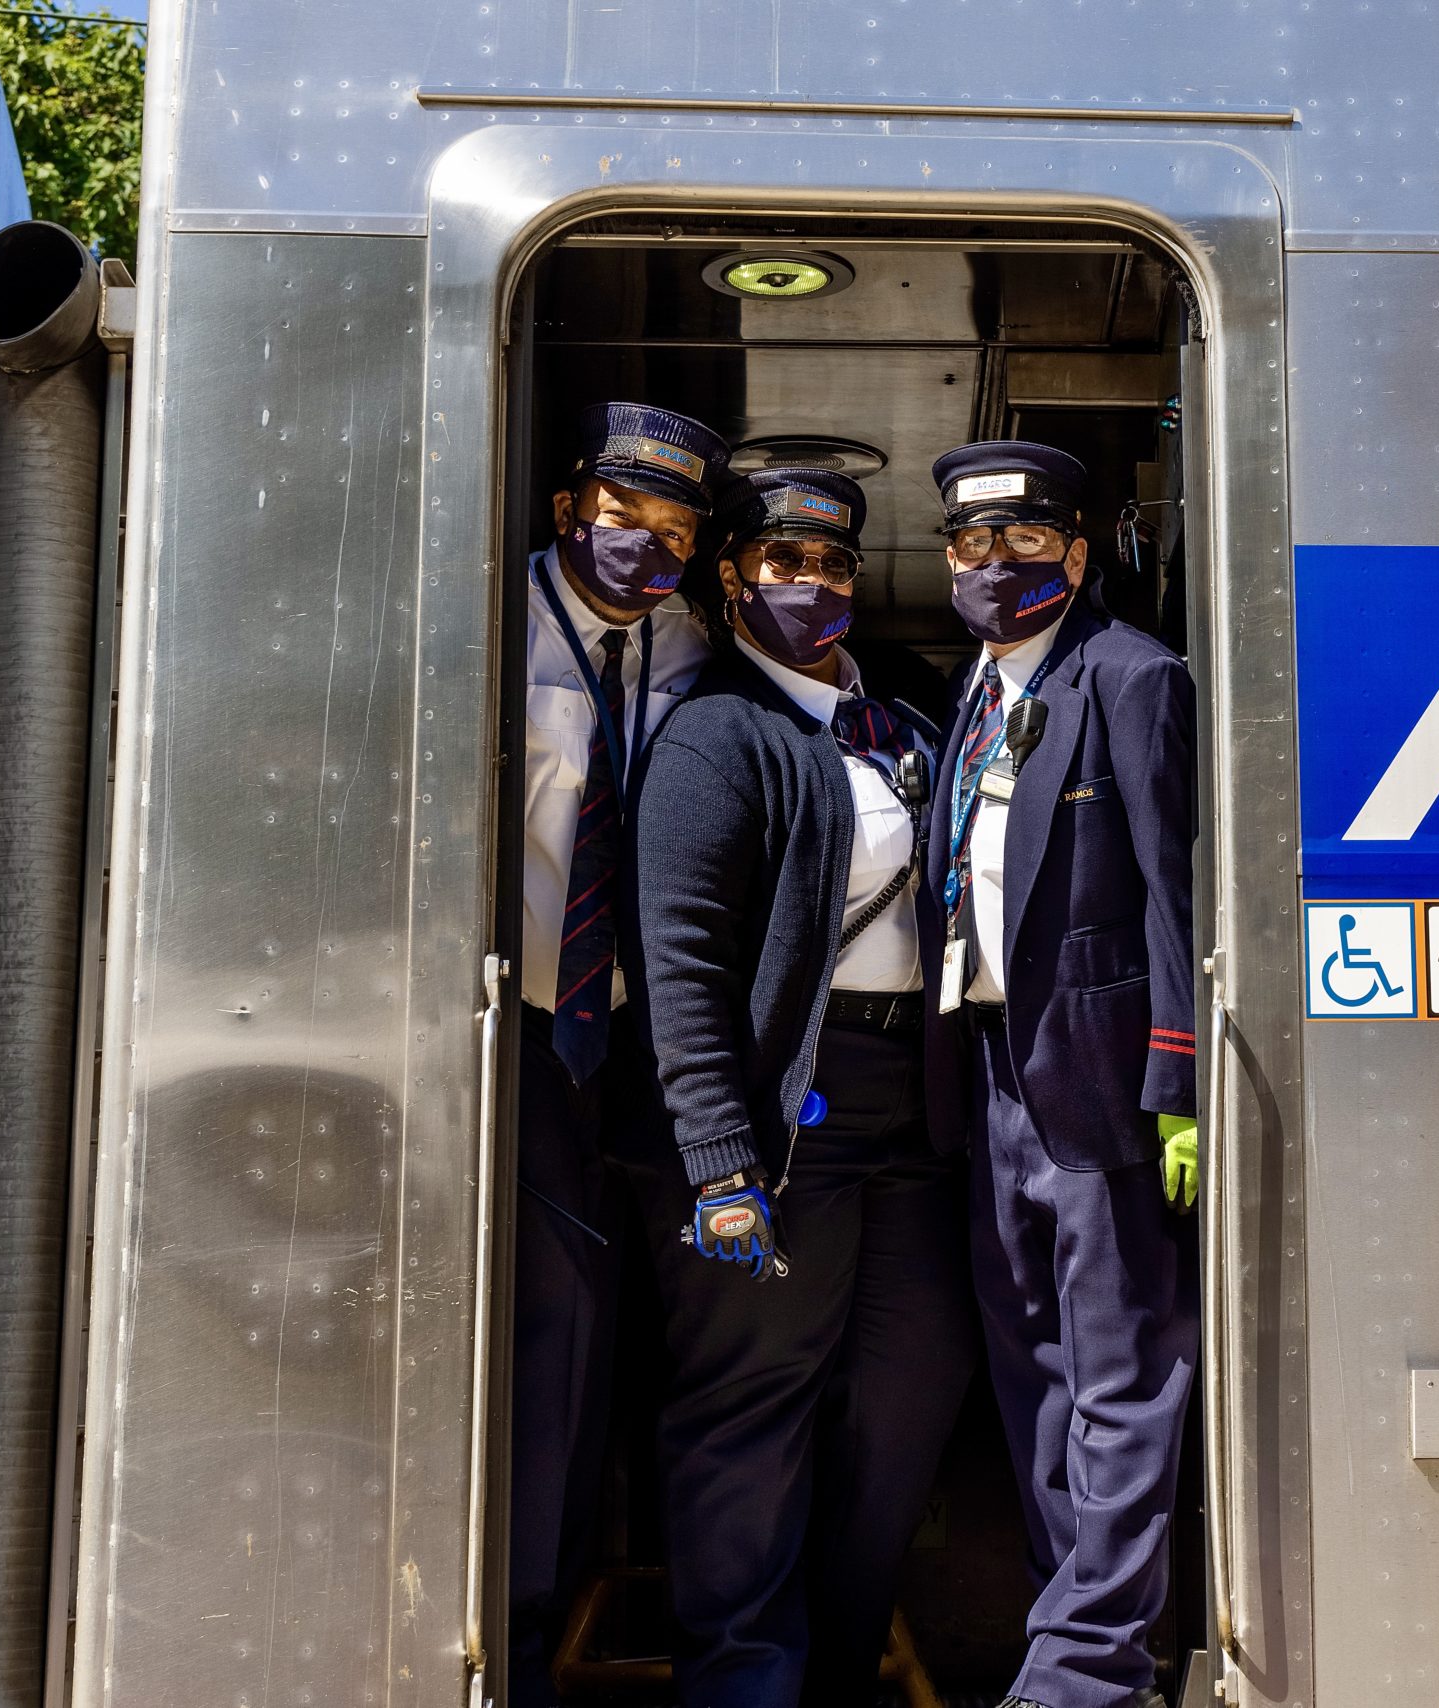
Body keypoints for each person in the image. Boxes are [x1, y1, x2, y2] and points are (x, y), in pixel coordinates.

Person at [629, 467, 976, 1706]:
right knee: (751, 1402)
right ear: (730, 580)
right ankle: (743, 1677)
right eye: (785, 564)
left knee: (912, 1387)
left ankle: (837, 1663)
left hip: (917, 1111)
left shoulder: (911, 710)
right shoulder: (715, 733)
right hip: (784, 1114)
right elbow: (679, 963)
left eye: (834, 566)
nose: (815, 586)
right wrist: (718, 1157)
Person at [922, 440, 1198, 1708]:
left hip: (1094, 1080)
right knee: (1030, 1363)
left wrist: (1176, 1077)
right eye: (972, 545)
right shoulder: (972, 692)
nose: (995, 565)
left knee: (1120, 1370)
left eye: (1025, 540)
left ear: (1078, 553)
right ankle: (1070, 1624)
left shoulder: (1132, 679)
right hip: (986, 1070)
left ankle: (1089, 1665)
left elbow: (1171, 889)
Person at [513, 401, 725, 1705]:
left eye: (673, 527)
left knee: (652, 1332)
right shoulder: (493, 621)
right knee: (552, 1334)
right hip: (531, 1028)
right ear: (565, 510)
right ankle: (524, 1639)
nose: (643, 545)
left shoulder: (689, 647)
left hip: (651, 1041)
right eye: (621, 512)